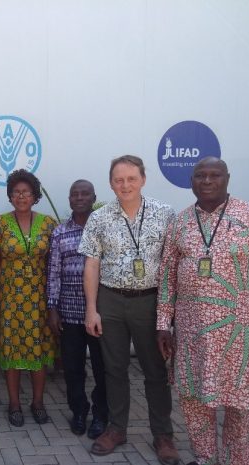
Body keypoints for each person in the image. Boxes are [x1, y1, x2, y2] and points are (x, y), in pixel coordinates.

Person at [156, 157, 249, 465]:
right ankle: (204, 458)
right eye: (200, 175)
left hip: (238, 338)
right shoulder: (181, 222)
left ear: (227, 178)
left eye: (215, 175)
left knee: (238, 406)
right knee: (192, 401)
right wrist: (163, 324)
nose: (207, 180)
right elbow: (167, 276)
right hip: (191, 335)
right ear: (191, 180)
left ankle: (235, 462)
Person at [79, 155, 180, 465]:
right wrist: (92, 309)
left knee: (154, 371)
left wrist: (168, 312)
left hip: (150, 302)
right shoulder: (100, 218)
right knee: (114, 369)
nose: (125, 185)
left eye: (131, 179)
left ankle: (163, 434)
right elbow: (92, 264)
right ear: (111, 183)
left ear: (143, 180)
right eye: (119, 180)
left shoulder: (166, 215)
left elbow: (173, 265)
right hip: (110, 301)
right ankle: (117, 429)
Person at [0, 169, 57, 427]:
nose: (21, 196)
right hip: (9, 301)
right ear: (10, 196)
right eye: (16, 192)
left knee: (38, 351)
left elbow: (53, 265)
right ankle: (14, 403)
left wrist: (53, 303)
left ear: (35, 195)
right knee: (11, 350)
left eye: (26, 192)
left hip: (39, 300)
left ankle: (38, 402)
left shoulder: (49, 225)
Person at [46, 179, 108, 439]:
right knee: (72, 368)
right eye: (75, 194)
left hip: (100, 315)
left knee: (102, 367)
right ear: (70, 199)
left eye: (85, 193)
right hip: (69, 314)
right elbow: (53, 273)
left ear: (94, 197)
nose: (80, 197)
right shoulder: (60, 233)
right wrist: (52, 308)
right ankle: (79, 411)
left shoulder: (105, 229)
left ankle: (101, 414)